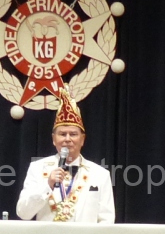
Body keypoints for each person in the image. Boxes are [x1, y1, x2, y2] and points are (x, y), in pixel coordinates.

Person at [16, 87, 116, 223]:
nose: (67, 139)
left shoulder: (100, 174)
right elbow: (23, 213)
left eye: (73, 134)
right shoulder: (38, 168)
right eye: (62, 134)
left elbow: (107, 220)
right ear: (53, 139)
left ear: (82, 139)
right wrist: (47, 185)